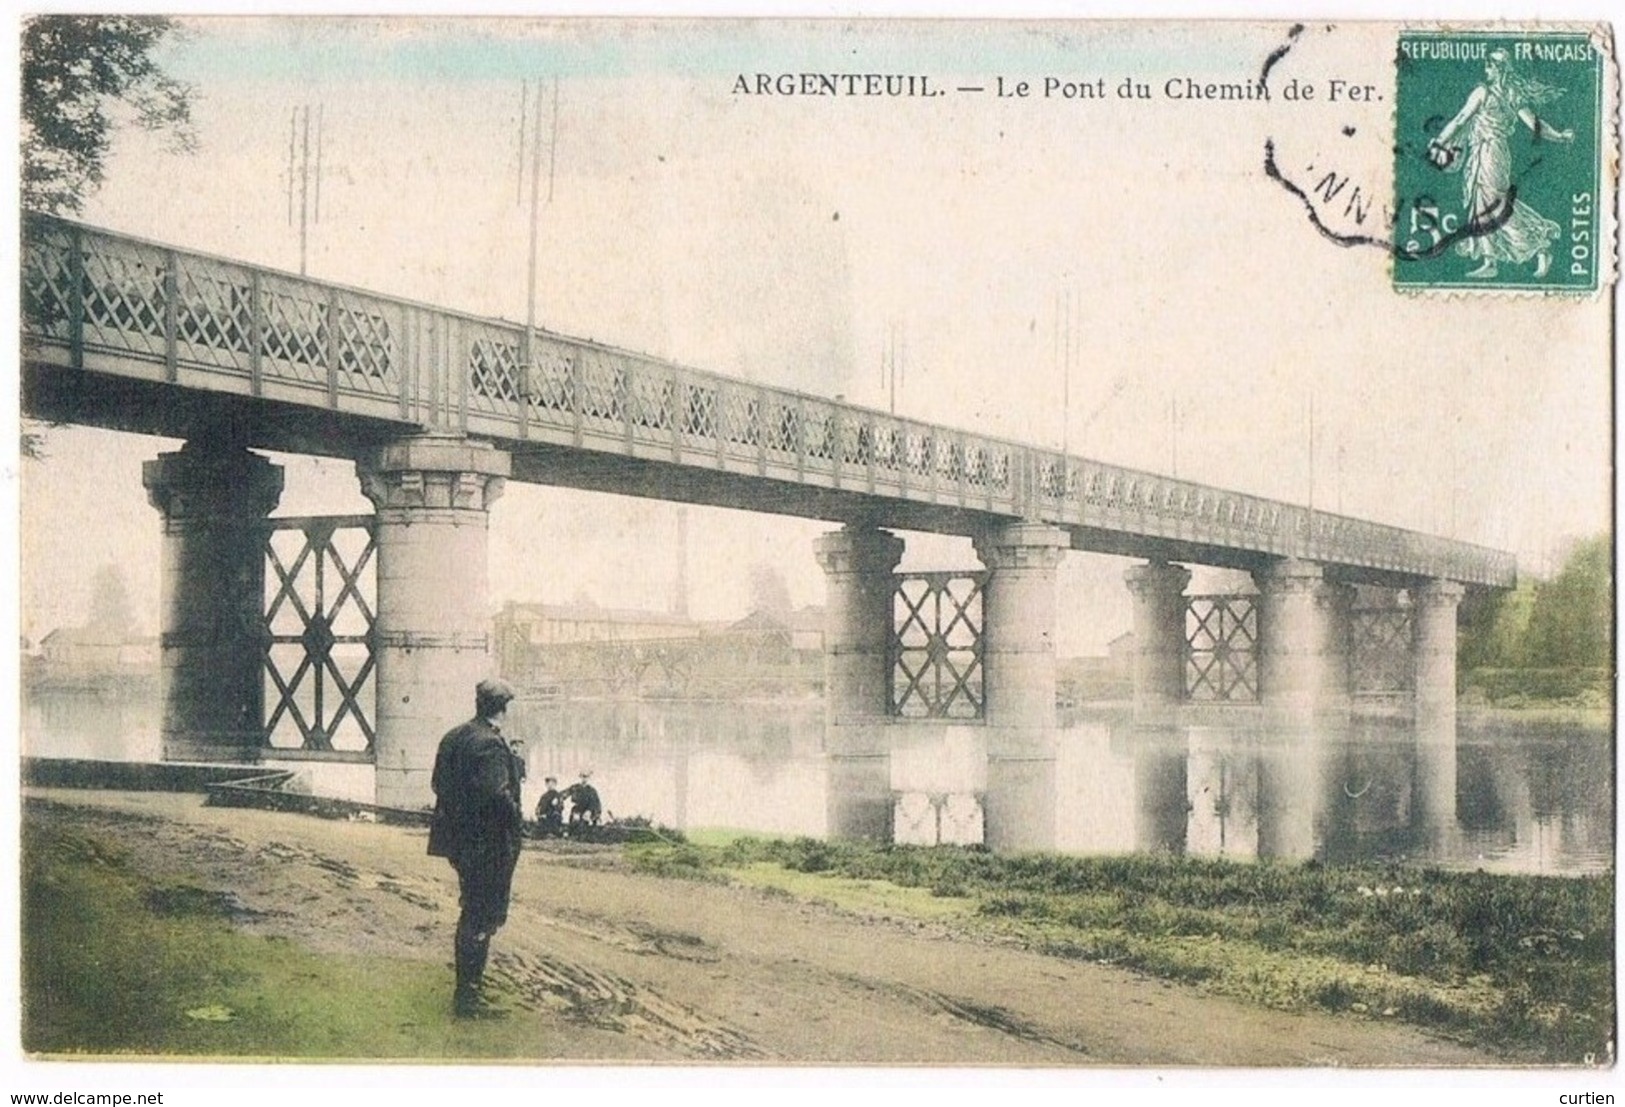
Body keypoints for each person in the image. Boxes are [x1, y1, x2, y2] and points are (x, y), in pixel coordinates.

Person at [1428, 49, 1574, 279]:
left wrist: (1438, 141)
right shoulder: (1512, 94)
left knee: (1493, 205)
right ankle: (1490, 261)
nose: (1486, 70)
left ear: (1497, 69)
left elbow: (1459, 120)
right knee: (1481, 203)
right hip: (1491, 152)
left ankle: (1539, 245)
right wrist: (1559, 136)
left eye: (1489, 66)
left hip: (1489, 153)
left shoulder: (1482, 92)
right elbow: (1535, 124)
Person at [428, 678, 523, 1019]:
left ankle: (468, 989)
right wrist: (517, 821)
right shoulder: (490, 744)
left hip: (461, 842)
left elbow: (438, 784)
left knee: (472, 910)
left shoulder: (454, 736)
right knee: (482, 916)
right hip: (488, 845)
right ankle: (468, 997)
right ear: (503, 708)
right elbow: (498, 795)